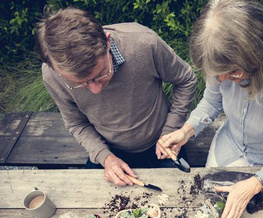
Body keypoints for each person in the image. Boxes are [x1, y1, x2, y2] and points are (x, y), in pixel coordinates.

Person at [160, 0, 263, 218]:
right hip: (229, 145)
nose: (222, 80)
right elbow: (211, 102)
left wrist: (257, 182)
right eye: (218, 74)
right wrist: (186, 130)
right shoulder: (219, 61)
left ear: (257, 57)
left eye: (232, 72)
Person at [34, 7, 197, 186]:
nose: (95, 90)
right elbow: (76, 123)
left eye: (101, 74)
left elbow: (186, 80)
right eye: (80, 83)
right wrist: (105, 157)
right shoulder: (52, 74)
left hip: (163, 143)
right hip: (109, 149)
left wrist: (170, 129)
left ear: (107, 42)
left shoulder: (143, 43)